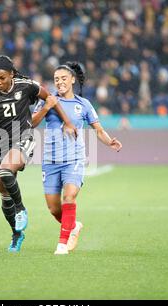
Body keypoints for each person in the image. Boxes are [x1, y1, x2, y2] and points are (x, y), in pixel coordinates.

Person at [0, 55, 77, 253]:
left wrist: (67, 121)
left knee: (6, 172)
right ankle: (16, 234)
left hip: (24, 138)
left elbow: (50, 98)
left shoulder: (27, 85)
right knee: (4, 197)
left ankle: (21, 209)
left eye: (2, 78)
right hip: (0, 143)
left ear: (11, 75)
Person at [32, 62, 123, 255]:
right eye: (56, 79)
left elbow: (98, 130)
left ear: (72, 80)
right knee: (54, 208)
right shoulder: (46, 100)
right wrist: (46, 107)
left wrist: (109, 142)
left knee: (69, 196)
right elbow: (31, 124)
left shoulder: (83, 105)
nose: (60, 82)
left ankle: (62, 245)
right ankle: (73, 226)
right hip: (50, 160)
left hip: (74, 159)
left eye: (64, 78)